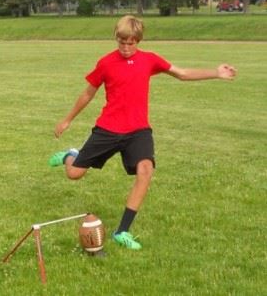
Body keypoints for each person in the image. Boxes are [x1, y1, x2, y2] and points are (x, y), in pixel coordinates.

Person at [48, 15, 236, 250]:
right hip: (108, 128)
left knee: (145, 170)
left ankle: (122, 231)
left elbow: (183, 73)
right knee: (74, 174)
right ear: (116, 39)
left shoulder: (149, 60)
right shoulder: (106, 63)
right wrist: (67, 120)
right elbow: (88, 93)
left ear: (138, 40)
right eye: (121, 42)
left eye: (131, 43)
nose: (126, 48)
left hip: (138, 130)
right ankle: (70, 155)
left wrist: (216, 73)